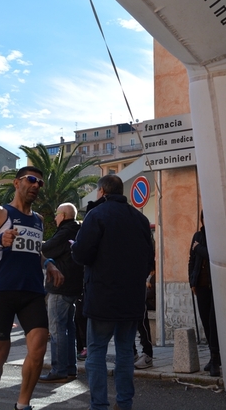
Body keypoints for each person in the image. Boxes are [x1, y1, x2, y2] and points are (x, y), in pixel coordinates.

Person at [0, 166, 63, 410]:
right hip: (3, 291)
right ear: (16, 183)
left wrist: (50, 264)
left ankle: (23, 404)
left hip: (33, 292)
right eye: (31, 180)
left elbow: (35, 251)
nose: (36, 185)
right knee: (0, 354)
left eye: (40, 183)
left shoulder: (38, 220)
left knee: (38, 349)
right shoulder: (0, 213)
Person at [71, 174, 154, 410]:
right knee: (126, 351)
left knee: (96, 350)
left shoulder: (96, 215)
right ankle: (124, 403)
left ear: (102, 192)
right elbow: (149, 259)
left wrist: (75, 247)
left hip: (102, 297)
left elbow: (81, 254)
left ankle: (99, 405)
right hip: (131, 298)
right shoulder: (140, 219)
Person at [38, 202, 84, 383]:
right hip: (74, 286)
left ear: (63, 216)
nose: (55, 218)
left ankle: (59, 370)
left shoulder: (65, 232)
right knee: (69, 330)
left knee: (57, 330)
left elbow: (47, 248)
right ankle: (71, 369)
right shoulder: (79, 230)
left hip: (60, 286)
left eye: (57, 215)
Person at [189, 210, 221, 377]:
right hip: (200, 286)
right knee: (205, 322)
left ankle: (216, 359)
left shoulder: (217, 236)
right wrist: (191, 282)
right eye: (204, 218)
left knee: (213, 322)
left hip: (214, 286)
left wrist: (199, 248)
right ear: (201, 219)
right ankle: (212, 356)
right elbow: (191, 260)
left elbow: (212, 255)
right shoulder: (197, 235)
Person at [133, 269, 156, 369]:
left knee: (141, 322)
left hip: (137, 283)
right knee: (127, 321)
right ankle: (132, 353)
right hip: (125, 283)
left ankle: (147, 354)